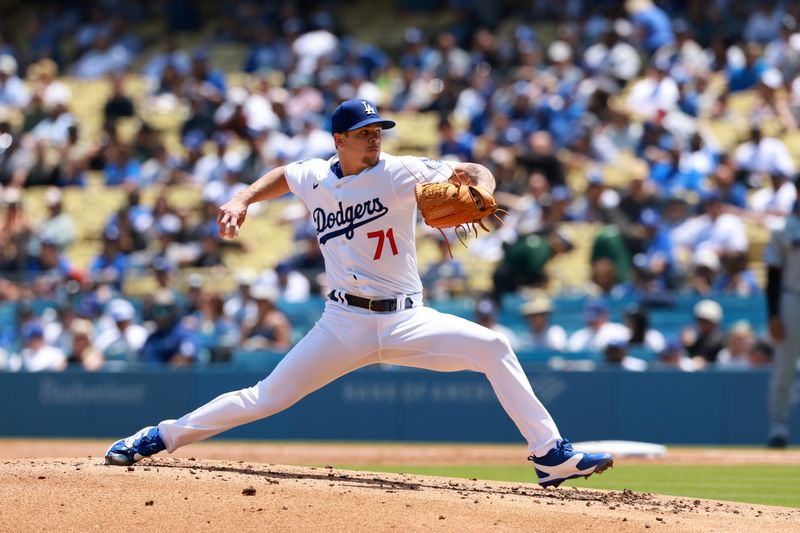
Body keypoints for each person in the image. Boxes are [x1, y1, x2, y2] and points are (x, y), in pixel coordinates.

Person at [104, 98, 613, 487]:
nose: (374, 139)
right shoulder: (314, 175)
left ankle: (550, 455)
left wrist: (482, 184)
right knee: (266, 397)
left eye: (377, 132)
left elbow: (470, 172)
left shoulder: (402, 170)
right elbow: (283, 175)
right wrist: (242, 198)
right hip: (343, 323)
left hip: (407, 319)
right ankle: (159, 437)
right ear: (338, 139)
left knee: (494, 348)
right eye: (364, 133)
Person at [764, 195, 800, 448]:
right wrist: (773, 314)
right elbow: (773, 274)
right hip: (792, 297)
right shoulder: (783, 227)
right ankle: (779, 429)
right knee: (784, 368)